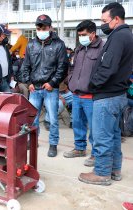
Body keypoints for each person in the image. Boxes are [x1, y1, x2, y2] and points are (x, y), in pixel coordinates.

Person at [79, 2, 133, 185]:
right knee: (114, 136)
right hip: (118, 95)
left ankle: (101, 173)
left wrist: (93, 85)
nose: (102, 24)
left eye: (105, 21)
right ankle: (115, 169)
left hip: (107, 95)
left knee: (102, 136)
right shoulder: (127, 35)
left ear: (116, 19)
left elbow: (108, 67)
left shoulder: (118, 37)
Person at [21, 14, 68, 157]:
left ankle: (53, 144)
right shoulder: (31, 45)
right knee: (32, 118)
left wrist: (52, 83)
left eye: (44, 27)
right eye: (38, 27)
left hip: (50, 89)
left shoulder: (59, 45)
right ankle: (32, 141)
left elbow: (63, 67)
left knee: (53, 119)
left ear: (50, 27)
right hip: (34, 88)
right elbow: (25, 66)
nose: (41, 30)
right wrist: (28, 82)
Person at [64, 20, 105, 167]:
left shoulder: (103, 48)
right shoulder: (79, 48)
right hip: (76, 94)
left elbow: (104, 71)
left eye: (84, 34)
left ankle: (95, 154)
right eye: (79, 34)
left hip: (91, 96)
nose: (81, 37)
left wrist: (94, 86)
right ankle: (80, 148)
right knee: (78, 123)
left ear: (93, 34)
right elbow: (72, 67)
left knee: (95, 128)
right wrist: (71, 81)